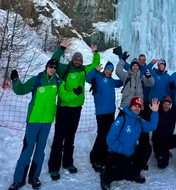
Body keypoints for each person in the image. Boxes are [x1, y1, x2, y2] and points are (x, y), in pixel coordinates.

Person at [8, 59, 79, 190]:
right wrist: (15, 80)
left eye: (54, 67)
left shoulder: (58, 82)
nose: (52, 69)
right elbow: (21, 90)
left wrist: (75, 93)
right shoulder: (37, 79)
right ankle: (18, 180)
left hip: (46, 122)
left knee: (40, 151)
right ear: (46, 67)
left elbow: (64, 95)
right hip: (34, 121)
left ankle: (34, 177)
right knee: (27, 150)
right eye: (50, 66)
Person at [48, 40, 100, 180]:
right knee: (59, 137)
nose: (78, 61)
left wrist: (95, 53)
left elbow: (95, 66)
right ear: (72, 60)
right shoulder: (64, 69)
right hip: (63, 108)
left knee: (70, 137)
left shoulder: (83, 69)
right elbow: (54, 60)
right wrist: (61, 48)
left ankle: (68, 163)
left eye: (80, 59)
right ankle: (54, 167)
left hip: (76, 109)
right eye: (76, 58)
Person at [100, 97, 159, 190]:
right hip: (118, 153)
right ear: (130, 107)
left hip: (130, 152)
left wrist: (155, 112)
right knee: (125, 174)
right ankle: (105, 178)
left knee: (146, 148)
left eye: (139, 106)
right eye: (135, 106)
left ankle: (135, 173)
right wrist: (122, 150)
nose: (137, 108)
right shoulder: (122, 119)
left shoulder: (138, 120)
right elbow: (110, 139)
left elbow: (152, 126)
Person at [86, 61, 123, 173]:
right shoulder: (97, 77)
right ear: (105, 69)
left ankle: (103, 157)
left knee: (108, 135)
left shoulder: (112, 81)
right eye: (108, 69)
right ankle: (95, 158)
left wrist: (128, 74)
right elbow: (88, 78)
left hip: (110, 112)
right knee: (101, 135)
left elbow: (121, 82)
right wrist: (95, 70)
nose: (110, 71)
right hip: (101, 113)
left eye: (111, 70)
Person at [152, 96, 176, 176]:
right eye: (165, 104)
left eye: (168, 104)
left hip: (169, 140)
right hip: (159, 142)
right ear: (162, 104)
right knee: (162, 165)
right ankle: (158, 153)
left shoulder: (173, 113)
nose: (166, 106)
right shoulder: (157, 112)